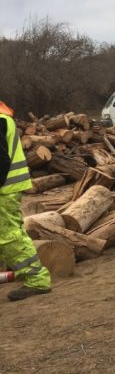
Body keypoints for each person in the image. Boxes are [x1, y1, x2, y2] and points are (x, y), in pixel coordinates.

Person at [0, 100, 52, 301]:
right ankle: (21, 271)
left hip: (4, 189)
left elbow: (1, 162)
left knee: (10, 236)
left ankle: (37, 278)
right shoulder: (4, 117)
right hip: (8, 188)